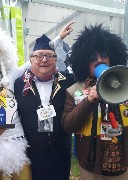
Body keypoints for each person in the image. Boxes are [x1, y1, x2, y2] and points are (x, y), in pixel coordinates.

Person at [0, 10, 73, 180]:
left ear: (2, 54)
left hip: (17, 142)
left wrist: (57, 39)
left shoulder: (12, 75)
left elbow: (36, 59)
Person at [61, 24, 128, 179]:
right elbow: (68, 125)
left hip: (122, 165)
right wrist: (88, 101)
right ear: (84, 61)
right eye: (92, 57)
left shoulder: (124, 83)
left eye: (104, 55)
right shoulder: (74, 90)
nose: (99, 60)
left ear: (112, 57)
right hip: (90, 165)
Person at [14, 23, 75, 180]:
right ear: (31, 60)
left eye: (49, 56)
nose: (44, 60)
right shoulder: (19, 84)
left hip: (61, 150)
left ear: (56, 59)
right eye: (39, 56)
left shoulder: (68, 81)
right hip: (32, 152)